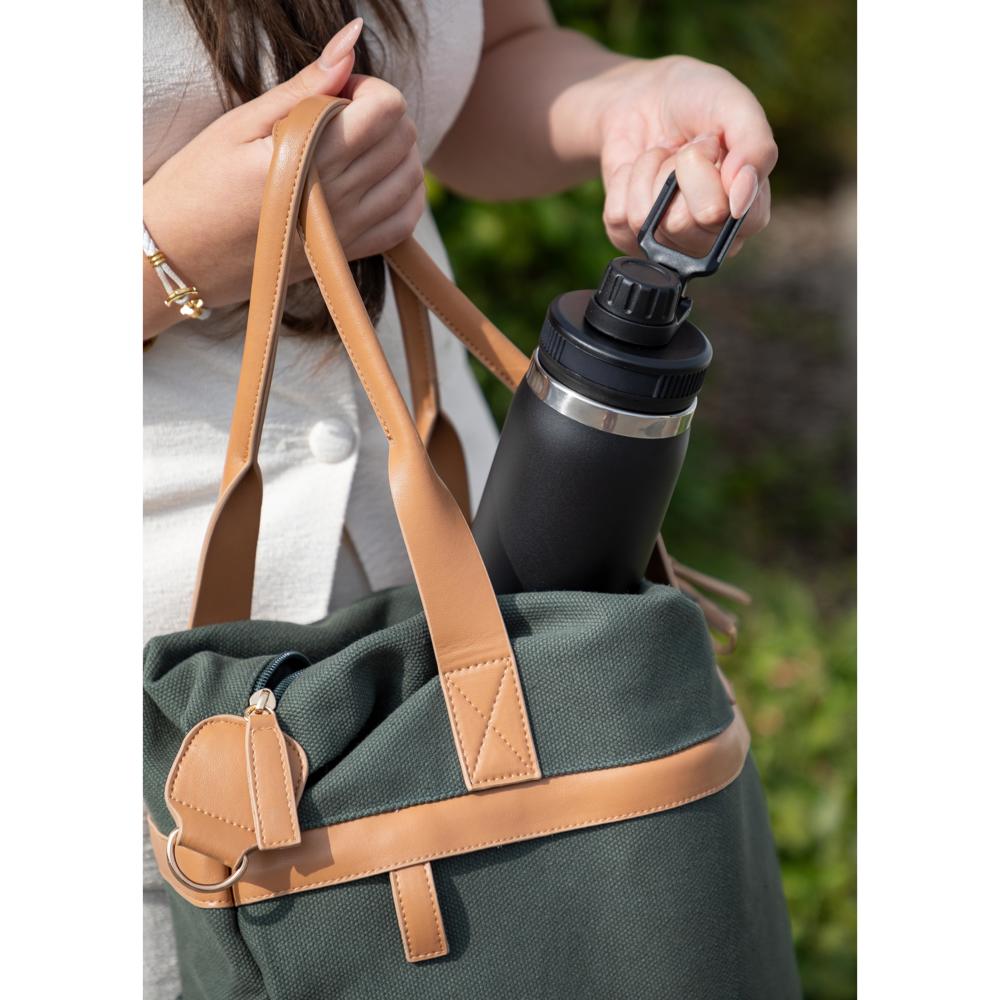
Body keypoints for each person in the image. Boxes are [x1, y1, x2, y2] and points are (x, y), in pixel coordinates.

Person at [143, 0, 777, 994]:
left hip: (482, 592)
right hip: (177, 701)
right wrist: (163, 256)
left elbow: (492, 54)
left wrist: (628, 97)